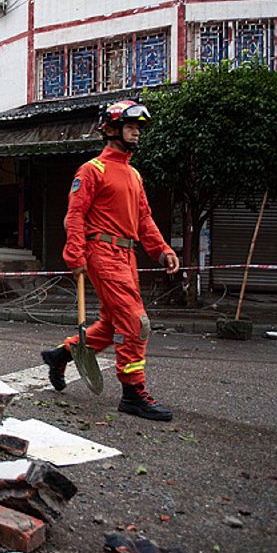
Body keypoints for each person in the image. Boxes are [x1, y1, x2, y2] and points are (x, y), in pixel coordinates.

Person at [40, 100, 180, 421]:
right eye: (131, 127)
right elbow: (75, 215)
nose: (136, 133)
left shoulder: (134, 175)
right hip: (102, 254)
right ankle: (133, 393)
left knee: (112, 324)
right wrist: (74, 254)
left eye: (138, 128)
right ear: (112, 129)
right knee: (135, 323)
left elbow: (144, 218)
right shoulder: (92, 170)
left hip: (127, 255)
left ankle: (60, 355)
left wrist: (162, 250)